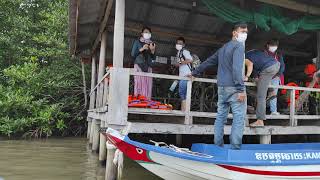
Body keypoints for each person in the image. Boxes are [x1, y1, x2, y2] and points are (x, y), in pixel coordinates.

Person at [191, 22, 248, 149]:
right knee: (239, 117)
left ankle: (218, 146)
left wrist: (194, 72)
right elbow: (237, 69)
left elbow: (208, 61)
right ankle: (235, 149)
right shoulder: (239, 46)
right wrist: (240, 89)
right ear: (234, 32)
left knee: (221, 116)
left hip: (222, 87)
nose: (245, 34)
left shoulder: (223, 48)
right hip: (234, 87)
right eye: (242, 31)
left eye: (246, 32)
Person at [245, 50, 280, 127]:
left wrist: (247, 76)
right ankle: (271, 92)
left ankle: (260, 121)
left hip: (268, 68)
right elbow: (257, 69)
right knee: (260, 81)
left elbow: (250, 65)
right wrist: (255, 78)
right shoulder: (253, 53)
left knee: (261, 96)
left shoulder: (244, 57)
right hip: (275, 65)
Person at [131, 26, 156, 99]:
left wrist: (152, 51)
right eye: (145, 32)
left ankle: (147, 102)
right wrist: (142, 49)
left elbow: (153, 58)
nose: (147, 33)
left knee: (148, 85)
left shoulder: (151, 43)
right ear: (142, 33)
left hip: (148, 66)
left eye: (148, 32)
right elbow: (133, 54)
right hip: (139, 65)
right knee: (139, 84)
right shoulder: (137, 42)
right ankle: (138, 101)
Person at [264, 39, 285, 115]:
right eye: (272, 45)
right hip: (265, 76)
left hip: (276, 76)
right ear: (267, 45)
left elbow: (282, 66)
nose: (273, 47)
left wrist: (278, 74)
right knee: (263, 93)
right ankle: (262, 109)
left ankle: (273, 111)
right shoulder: (264, 53)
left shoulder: (278, 55)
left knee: (273, 93)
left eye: (275, 46)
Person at [174, 37, 193, 111]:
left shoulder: (185, 51)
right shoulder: (179, 52)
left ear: (184, 45)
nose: (178, 45)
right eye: (178, 43)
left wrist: (179, 63)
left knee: (182, 93)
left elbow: (190, 59)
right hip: (182, 75)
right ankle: (184, 111)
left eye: (180, 44)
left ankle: (185, 112)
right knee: (184, 94)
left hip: (187, 75)